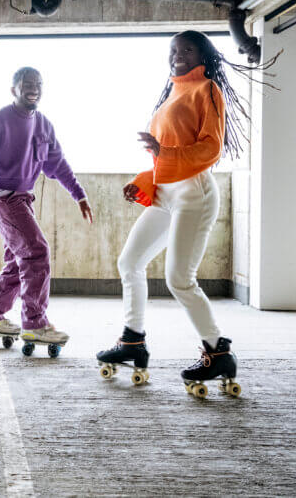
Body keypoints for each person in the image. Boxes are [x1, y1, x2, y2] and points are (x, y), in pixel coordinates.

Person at [96, 30, 274, 396]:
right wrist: (145, 180)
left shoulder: (207, 90)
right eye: (174, 50)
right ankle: (132, 341)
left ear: (203, 55)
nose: (178, 54)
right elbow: (165, 153)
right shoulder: (172, 92)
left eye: (187, 49)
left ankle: (218, 351)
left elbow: (210, 148)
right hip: (167, 194)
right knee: (130, 262)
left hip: (195, 193)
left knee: (179, 278)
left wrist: (163, 154)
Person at [0, 66, 93, 352]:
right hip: (1, 196)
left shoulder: (44, 124)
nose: (33, 87)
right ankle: (35, 323)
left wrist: (79, 195)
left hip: (23, 198)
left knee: (18, 259)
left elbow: (57, 165)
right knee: (36, 252)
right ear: (14, 89)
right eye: (27, 83)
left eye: (38, 83)